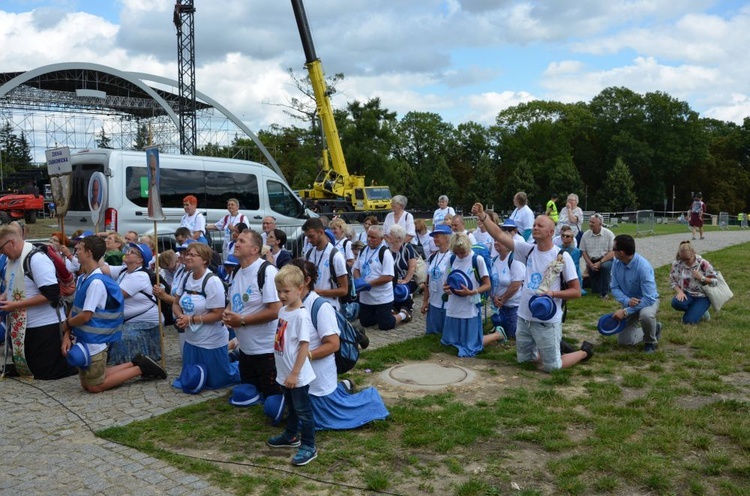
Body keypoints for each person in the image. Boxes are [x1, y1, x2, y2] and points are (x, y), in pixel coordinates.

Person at [473, 203, 593, 371]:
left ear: (551, 232)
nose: (535, 227)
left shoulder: (561, 256)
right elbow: (499, 235)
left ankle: (583, 352)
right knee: (526, 361)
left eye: (540, 225)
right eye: (534, 224)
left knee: (552, 367)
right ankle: (554, 348)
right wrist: (483, 216)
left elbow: (576, 291)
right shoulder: (527, 250)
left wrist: (552, 293)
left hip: (547, 319)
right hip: (524, 317)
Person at [291, 259, 389, 430]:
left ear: (306, 281)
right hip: (298, 376)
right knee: (275, 409)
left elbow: (333, 345)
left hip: (316, 380)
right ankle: (343, 386)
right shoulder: (290, 305)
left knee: (318, 419)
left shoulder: (320, 307)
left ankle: (364, 398)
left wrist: (306, 356)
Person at [60, 236, 166, 393]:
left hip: (95, 340)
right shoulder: (83, 278)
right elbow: (75, 309)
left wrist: (67, 325)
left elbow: (86, 315)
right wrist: (67, 335)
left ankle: (141, 369)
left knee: (94, 386)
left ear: (88, 253)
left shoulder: (96, 282)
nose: (75, 251)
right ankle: (135, 363)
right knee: (87, 384)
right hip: (85, 338)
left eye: (79, 249)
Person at [0, 226, 74, 380]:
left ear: (12, 243)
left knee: (46, 373)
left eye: (1, 248)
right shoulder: (12, 260)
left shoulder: (37, 259)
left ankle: (81, 362)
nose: (1, 252)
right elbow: (15, 285)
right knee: (28, 368)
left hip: (45, 324)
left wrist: (16, 305)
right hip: (23, 324)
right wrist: (4, 296)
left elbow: (51, 294)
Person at [266, 264, 318, 466]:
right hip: (284, 372)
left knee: (303, 411)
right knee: (292, 408)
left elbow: (304, 346)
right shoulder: (283, 311)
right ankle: (290, 436)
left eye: (286, 291)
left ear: (300, 289)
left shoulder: (301, 315)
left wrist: (295, 373)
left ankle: (309, 445)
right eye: (279, 291)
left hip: (297, 375)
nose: (282, 295)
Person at [221, 230, 282, 398]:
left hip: (266, 351)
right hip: (246, 351)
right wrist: (227, 311)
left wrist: (241, 320)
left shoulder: (267, 272)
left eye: (242, 241)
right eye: (237, 240)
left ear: (255, 249)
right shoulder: (236, 271)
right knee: (249, 398)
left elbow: (276, 310)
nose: (236, 243)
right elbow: (234, 300)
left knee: (272, 399)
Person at [172, 243, 240, 390]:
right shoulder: (186, 277)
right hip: (192, 339)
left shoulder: (212, 281)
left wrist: (190, 320)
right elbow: (176, 304)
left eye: (192, 255)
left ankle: (236, 361)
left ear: (204, 260)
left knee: (217, 382)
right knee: (192, 378)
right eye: (187, 254)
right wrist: (180, 317)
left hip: (211, 340)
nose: (187, 257)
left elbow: (218, 313)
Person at [441, 233, 501, 357]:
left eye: (462, 252)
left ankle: (497, 334)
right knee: (453, 342)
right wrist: (446, 289)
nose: (460, 255)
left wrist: (471, 292)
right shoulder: (452, 259)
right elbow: (446, 281)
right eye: (457, 252)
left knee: (471, 344)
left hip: (470, 304)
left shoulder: (477, 260)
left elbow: (487, 284)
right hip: (454, 304)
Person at [103, 242, 161, 365]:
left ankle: (128, 364)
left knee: (122, 337)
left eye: (132, 252)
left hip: (145, 320)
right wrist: (97, 251)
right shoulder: (124, 270)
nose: (127, 252)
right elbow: (102, 268)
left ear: (140, 260)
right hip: (129, 319)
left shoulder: (140, 276)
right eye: (128, 250)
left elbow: (116, 296)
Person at [610, 234, 662, 353]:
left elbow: (649, 298)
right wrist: (627, 301)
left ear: (621, 252)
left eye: (614, 249)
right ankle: (654, 328)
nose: (612, 251)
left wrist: (625, 311)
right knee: (624, 342)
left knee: (646, 315)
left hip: (648, 301)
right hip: (629, 302)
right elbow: (614, 287)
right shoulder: (616, 263)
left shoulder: (643, 267)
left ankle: (650, 342)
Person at [353, 225, 410, 330]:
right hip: (366, 297)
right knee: (365, 323)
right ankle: (385, 314)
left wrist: (369, 284)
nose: (369, 239)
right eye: (368, 236)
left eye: (373, 237)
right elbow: (356, 269)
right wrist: (358, 280)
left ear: (381, 239)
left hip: (382, 297)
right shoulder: (363, 250)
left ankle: (403, 314)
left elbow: (388, 277)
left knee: (385, 325)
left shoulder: (385, 253)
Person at [302, 218, 349, 313]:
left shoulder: (335, 256)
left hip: (329, 306)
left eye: (311, 236)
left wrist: (318, 292)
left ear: (320, 232)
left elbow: (344, 290)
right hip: (311, 305)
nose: (309, 240)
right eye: (307, 237)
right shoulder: (308, 254)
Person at [669, 240, 717, 324]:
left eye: (688, 259)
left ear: (693, 253)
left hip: (703, 296)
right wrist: (680, 292)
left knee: (688, 322)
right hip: (688, 294)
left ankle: (700, 311)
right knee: (676, 303)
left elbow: (715, 281)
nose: (686, 262)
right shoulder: (677, 264)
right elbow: (673, 281)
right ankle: (697, 310)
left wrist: (702, 278)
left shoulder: (703, 263)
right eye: (683, 260)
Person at [490, 236, 525, 339]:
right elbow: (490, 282)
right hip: (499, 306)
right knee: (504, 333)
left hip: (513, 306)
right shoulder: (494, 260)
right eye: (495, 240)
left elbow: (516, 284)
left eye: (499, 240)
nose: (496, 243)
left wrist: (503, 298)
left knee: (513, 335)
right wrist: (494, 297)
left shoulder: (515, 260)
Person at [421, 224, 452, 335]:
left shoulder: (452, 256)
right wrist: (425, 301)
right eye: (433, 236)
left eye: (437, 236)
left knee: (446, 335)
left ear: (446, 237)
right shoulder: (432, 257)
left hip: (448, 304)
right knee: (432, 335)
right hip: (434, 303)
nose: (434, 239)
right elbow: (427, 281)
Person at [579, 213, 615, 299]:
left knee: (605, 267)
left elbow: (612, 251)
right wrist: (590, 264)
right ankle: (609, 285)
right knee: (595, 289)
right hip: (592, 261)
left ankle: (604, 294)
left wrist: (601, 262)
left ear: (600, 224)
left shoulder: (609, 234)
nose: (590, 224)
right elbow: (583, 251)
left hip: (606, 260)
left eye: (593, 222)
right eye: (590, 222)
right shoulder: (586, 235)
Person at [388, 224, 418, 315]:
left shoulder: (407, 248)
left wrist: (405, 280)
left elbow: (412, 266)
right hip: (392, 280)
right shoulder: (387, 250)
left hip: (407, 278)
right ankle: (399, 309)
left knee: (402, 289)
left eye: (391, 234)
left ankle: (407, 308)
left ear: (398, 238)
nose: (389, 236)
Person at [558, 226, 584, 294]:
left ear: (572, 239)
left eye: (567, 236)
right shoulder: (557, 248)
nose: (564, 237)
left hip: (572, 273)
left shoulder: (576, 251)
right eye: (563, 235)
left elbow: (576, 266)